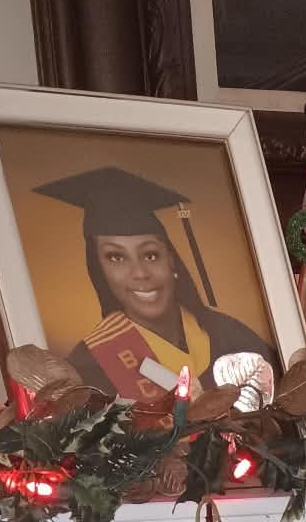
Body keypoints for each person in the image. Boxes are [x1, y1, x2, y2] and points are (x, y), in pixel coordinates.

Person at [34, 167, 279, 402]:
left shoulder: (230, 336)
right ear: (100, 272)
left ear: (172, 260)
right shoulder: (90, 368)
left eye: (151, 255)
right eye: (116, 258)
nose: (140, 272)